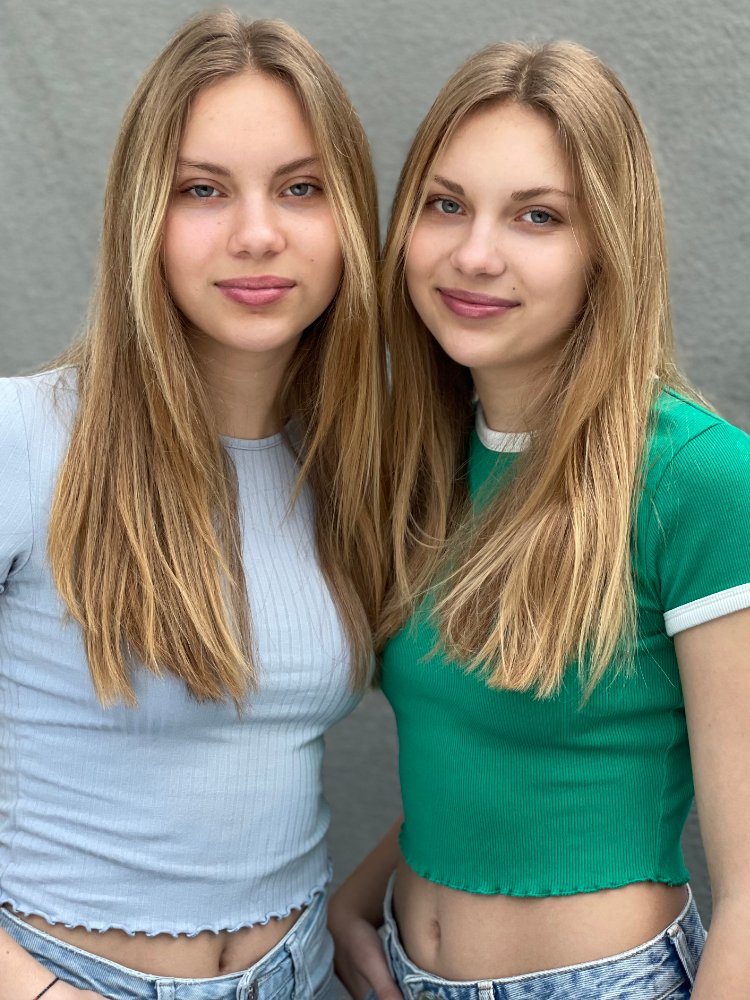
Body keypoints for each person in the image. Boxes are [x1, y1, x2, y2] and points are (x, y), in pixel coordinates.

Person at [330, 40, 750, 1000]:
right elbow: (492, 765)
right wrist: (357, 902)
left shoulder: (698, 478)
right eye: (446, 205)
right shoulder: (428, 464)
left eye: (538, 216)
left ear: (608, 245)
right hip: (406, 970)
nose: (475, 254)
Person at [0, 9, 385, 1000]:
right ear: (143, 215)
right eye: (202, 190)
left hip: (293, 970)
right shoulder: (26, 436)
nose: (257, 234)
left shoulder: (347, 467)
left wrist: (362, 902)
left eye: (300, 187)